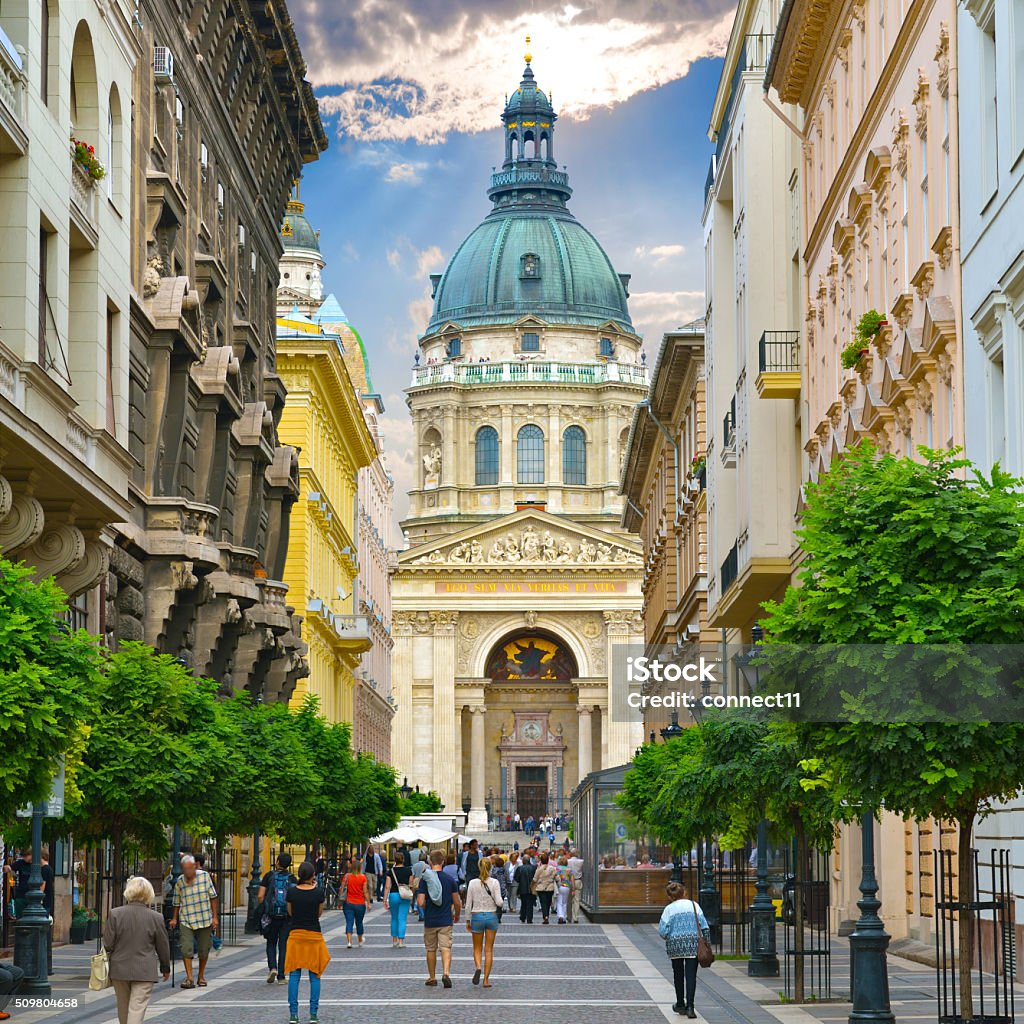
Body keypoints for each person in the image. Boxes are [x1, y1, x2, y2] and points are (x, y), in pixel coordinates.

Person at [103, 876, 171, 1024]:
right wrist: (165, 967)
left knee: (123, 1006)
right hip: (144, 969)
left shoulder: (115, 914)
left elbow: (107, 944)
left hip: (119, 968)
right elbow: (163, 945)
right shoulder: (156, 917)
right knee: (137, 1007)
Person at [284, 861, 330, 1024]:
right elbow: (318, 913)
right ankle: (313, 1013)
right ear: (312, 875)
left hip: (296, 935)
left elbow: (290, 912)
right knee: (315, 976)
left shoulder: (291, 891)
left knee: (294, 976)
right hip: (314, 936)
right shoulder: (318, 893)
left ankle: (294, 1014)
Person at [658, 881, 711, 1018]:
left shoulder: (669, 909)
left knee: (678, 974)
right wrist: (707, 944)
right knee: (691, 975)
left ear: (670, 896)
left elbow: (662, 931)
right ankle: (691, 1007)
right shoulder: (694, 905)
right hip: (693, 944)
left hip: (675, 945)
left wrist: (672, 934)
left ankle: (680, 1003)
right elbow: (704, 926)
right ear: (684, 892)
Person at [169, 855, 218, 989]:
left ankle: (201, 976)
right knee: (186, 948)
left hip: (204, 918)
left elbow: (213, 897)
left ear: (195, 867)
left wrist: (215, 917)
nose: (188, 872)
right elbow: (176, 901)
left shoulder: (205, 877)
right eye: (185, 869)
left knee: (204, 949)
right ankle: (189, 978)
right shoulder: (180, 881)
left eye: (190, 868)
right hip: (187, 918)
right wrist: (174, 918)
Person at [416, 849, 461, 989]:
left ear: (430, 862)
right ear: (443, 862)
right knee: (446, 947)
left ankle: (432, 977)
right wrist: (457, 914)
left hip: (430, 919)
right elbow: (457, 901)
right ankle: (446, 973)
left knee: (431, 949)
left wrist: (426, 907)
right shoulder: (450, 879)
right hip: (445, 919)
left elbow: (420, 902)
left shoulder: (425, 880)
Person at [256, 852, 297, 984]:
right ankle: (281, 976)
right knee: (283, 945)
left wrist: (265, 908)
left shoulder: (269, 876)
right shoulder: (292, 878)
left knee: (271, 942)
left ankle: (272, 967)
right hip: (286, 916)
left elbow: (260, 896)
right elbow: (293, 898)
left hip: (271, 915)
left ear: (277, 861)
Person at [464, 857, 502, 988]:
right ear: (491, 867)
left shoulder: (472, 883)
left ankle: (478, 967)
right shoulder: (495, 882)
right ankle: (486, 980)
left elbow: (468, 904)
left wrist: (467, 920)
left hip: (477, 916)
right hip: (491, 916)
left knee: (477, 947)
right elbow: (499, 902)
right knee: (489, 950)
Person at [383, 851, 413, 948]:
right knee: (402, 918)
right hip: (404, 895)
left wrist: (384, 899)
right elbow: (411, 884)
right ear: (403, 859)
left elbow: (387, 886)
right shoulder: (409, 870)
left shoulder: (390, 871)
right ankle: (401, 941)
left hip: (394, 894)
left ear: (395, 860)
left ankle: (394, 940)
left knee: (394, 918)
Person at [341, 856, 370, 948]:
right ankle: (360, 940)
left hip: (348, 903)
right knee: (359, 922)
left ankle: (349, 942)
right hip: (360, 904)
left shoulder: (347, 876)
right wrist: (368, 903)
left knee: (349, 922)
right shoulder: (363, 878)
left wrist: (340, 901)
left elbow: (342, 889)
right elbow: (365, 891)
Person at [532, 851, 557, 924]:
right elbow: (557, 877)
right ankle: (547, 915)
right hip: (550, 887)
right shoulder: (552, 868)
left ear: (541, 860)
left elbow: (535, 879)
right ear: (548, 860)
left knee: (543, 902)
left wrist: (532, 884)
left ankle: (545, 916)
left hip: (541, 887)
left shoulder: (539, 869)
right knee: (548, 902)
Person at [516, 852, 536, 923]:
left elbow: (516, 878)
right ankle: (529, 918)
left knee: (523, 903)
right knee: (530, 904)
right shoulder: (534, 867)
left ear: (523, 861)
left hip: (522, 888)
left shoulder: (520, 868)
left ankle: (523, 916)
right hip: (531, 888)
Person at [554, 855, 574, 924]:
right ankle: (564, 917)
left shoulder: (557, 869)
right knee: (565, 903)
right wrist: (573, 889)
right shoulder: (569, 870)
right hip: (567, 887)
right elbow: (572, 880)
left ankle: (560, 916)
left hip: (559, 886)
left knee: (559, 902)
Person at [567, 848, 585, 922]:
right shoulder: (581, 861)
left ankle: (569, 916)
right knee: (577, 900)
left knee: (569, 900)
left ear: (571, 853)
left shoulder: (568, 861)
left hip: (569, 881)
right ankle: (576, 917)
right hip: (577, 880)